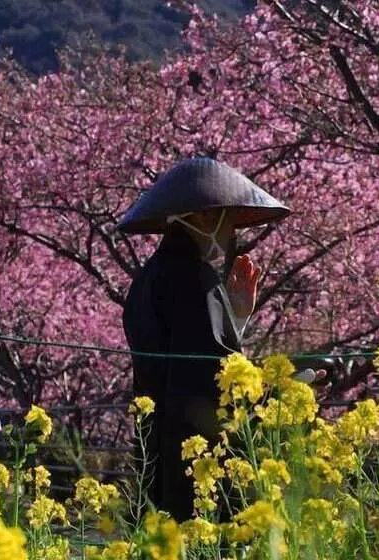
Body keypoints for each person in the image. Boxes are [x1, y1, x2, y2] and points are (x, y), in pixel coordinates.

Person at [118, 157, 291, 521]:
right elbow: (214, 382)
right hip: (199, 471)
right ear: (202, 217)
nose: (233, 235)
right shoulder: (195, 280)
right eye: (228, 220)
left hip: (159, 455)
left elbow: (189, 358)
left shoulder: (148, 279)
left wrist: (236, 316)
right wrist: (281, 394)